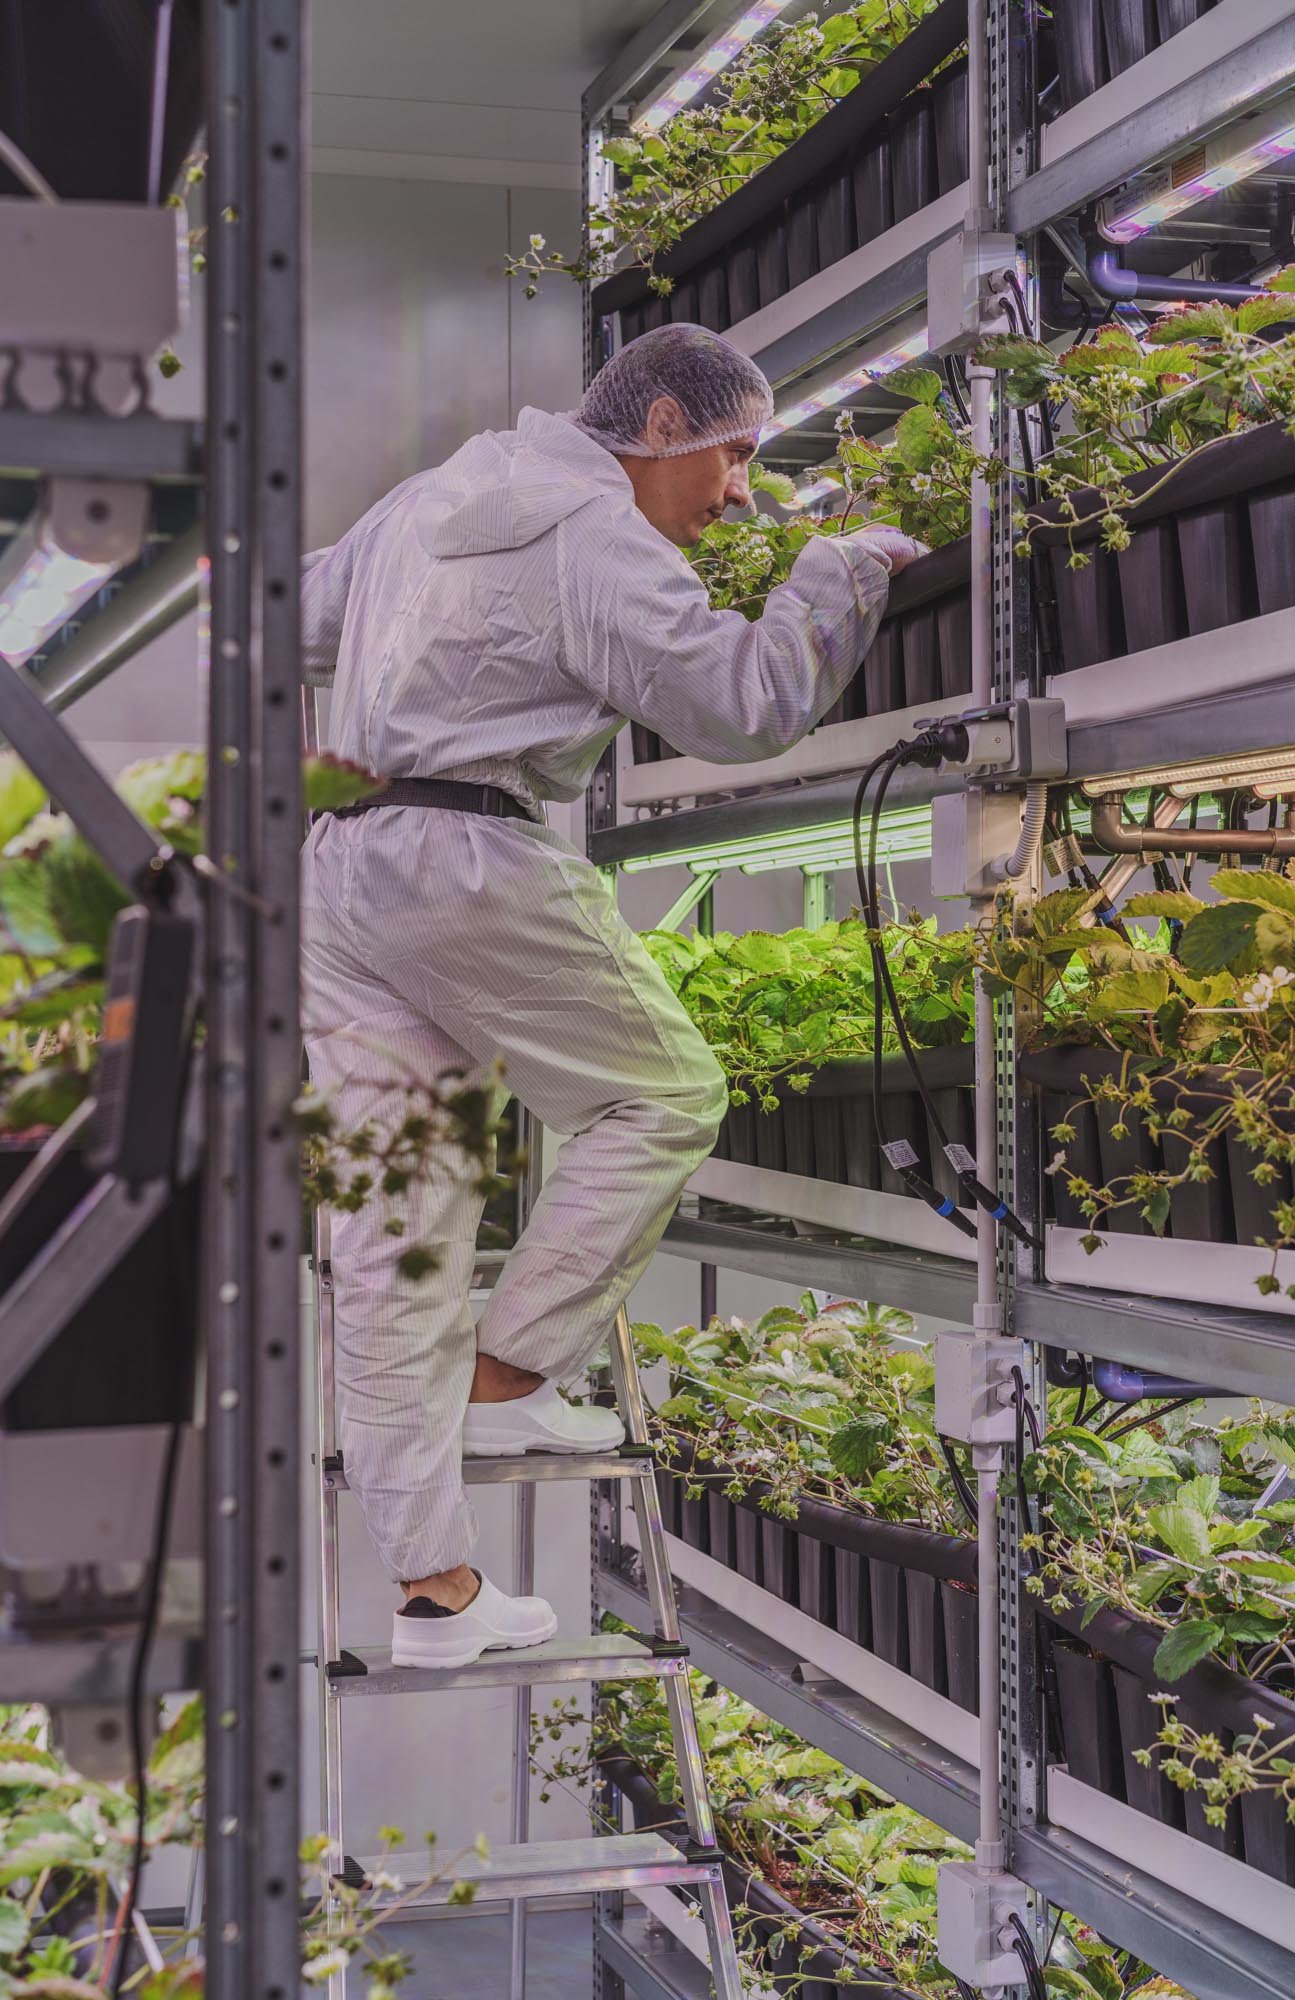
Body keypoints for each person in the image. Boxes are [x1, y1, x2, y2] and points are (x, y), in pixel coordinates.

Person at [301, 323, 922, 1669]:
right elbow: (744, 708)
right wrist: (839, 574)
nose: (740, 490)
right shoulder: (592, 533)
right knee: (662, 1094)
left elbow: (298, 614)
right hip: (466, 851)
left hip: (344, 861)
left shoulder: (430, 497)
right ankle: (512, 1377)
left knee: (395, 1233)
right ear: (653, 420)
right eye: (734, 453)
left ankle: (435, 1595)